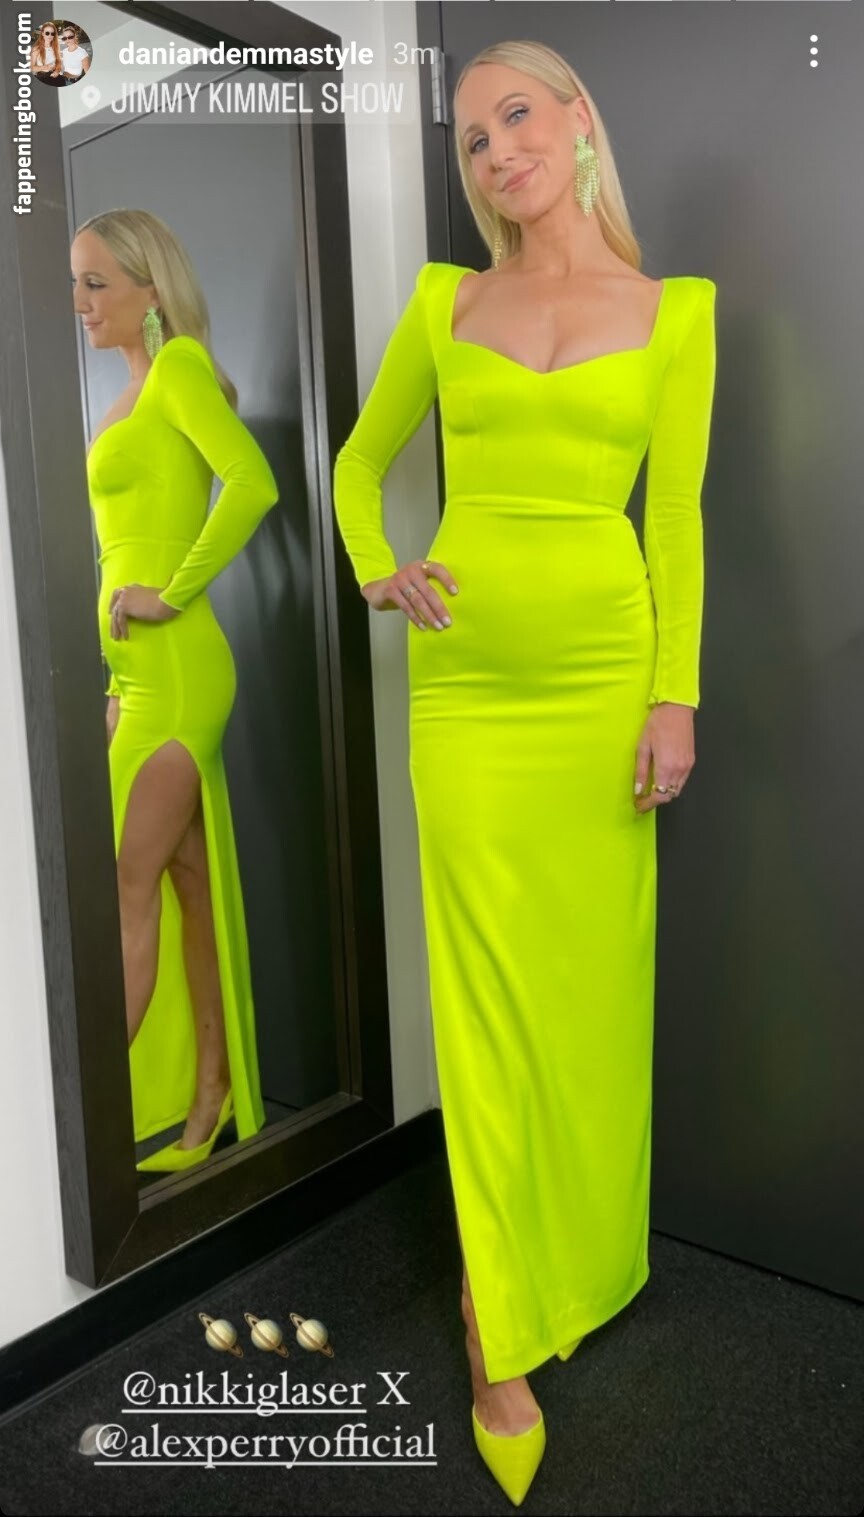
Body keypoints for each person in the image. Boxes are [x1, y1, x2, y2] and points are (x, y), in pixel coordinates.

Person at [332, 38, 717, 1507]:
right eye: (471, 140)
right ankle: (497, 1323)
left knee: (589, 991)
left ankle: (582, 1264)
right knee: (483, 998)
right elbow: (358, 466)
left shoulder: (676, 315)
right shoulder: (447, 301)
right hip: (469, 692)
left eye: (514, 118)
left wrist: (675, 697)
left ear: (577, 121)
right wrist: (376, 565)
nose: (496, 153)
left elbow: (673, 520)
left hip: (603, 686)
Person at [71, 209, 279, 1173]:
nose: (82, 302)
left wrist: (175, 592)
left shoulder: (181, 370)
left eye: (98, 282)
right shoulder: (127, 396)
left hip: (184, 671)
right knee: (185, 883)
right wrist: (115, 679)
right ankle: (209, 1094)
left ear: (151, 289)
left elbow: (252, 481)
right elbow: (120, 549)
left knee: (122, 884)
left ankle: (86, 1136)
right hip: (141, 678)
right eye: (76, 284)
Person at [29, 22, 65, 86]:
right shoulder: (36, 49)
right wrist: (45, 67)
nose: (50, 36)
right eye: (47, 33)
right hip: (43, 78)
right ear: (42, 33)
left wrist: (57, 71)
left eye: (52, 33)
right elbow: (32, 67)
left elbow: (58, 62)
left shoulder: (56, 47)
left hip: (56, 76)